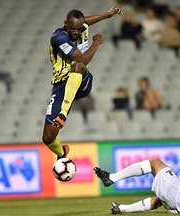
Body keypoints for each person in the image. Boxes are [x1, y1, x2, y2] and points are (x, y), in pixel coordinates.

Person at [42, 7, 122, 160]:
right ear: (66, 24)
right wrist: (96, 43)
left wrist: (108, 15)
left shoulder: (80, 26)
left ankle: (62, 115)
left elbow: (86, 23)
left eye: (79, 29)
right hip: (61, 85)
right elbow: (82, 57)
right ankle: (62, 154)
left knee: (77, 66)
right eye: (72, 29)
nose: (76, 32)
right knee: (48, 137)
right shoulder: (59, 38)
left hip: (81, 80)